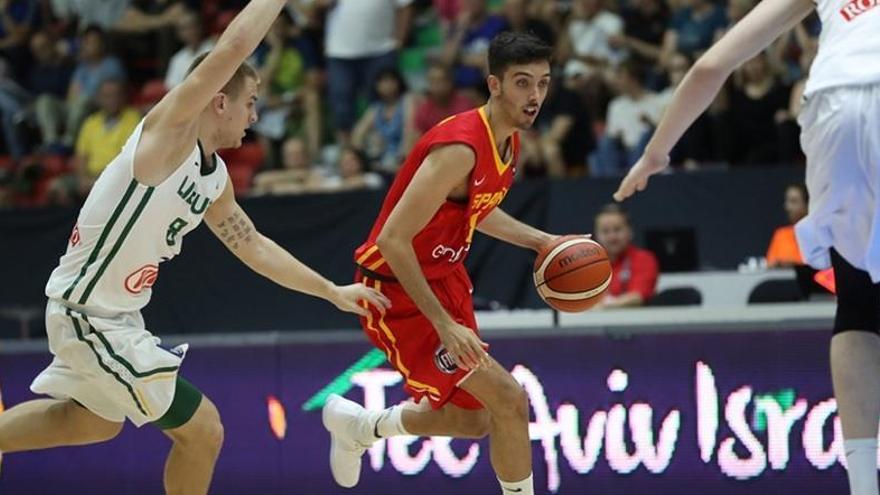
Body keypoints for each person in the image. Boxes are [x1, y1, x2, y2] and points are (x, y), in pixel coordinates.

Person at [0, 2, 389, 494]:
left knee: (94, 422)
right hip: (87, 313)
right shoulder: (171, 133)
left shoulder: (214, 180)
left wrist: (331, 290)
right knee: (203, 430)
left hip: (116, 318)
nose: (255, 114)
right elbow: (234, 47)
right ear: (219, 101)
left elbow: (255, 247)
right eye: (250, 101)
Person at [613, 0, 880, 493]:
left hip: (833, 102)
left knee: (859, 303)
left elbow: (712, 64)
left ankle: (864, 484)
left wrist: (655, 153)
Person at [322, 32, 556, 495]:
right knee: (510, 400)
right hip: (397, 293)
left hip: (445, 278)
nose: (534, 97)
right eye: (522, 83)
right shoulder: (461, 148)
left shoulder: (507, 142)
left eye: (543, 84)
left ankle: (362, 427)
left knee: (474, 421)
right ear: (495, 84)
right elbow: (392, 239)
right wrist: (443, 324)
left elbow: (478, 208)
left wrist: (541, 240)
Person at [593, 204, 658, 308]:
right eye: (605, 231)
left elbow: (638, 297)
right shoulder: (588, 264)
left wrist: (604, 306)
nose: (612, 237)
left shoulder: (644, 259)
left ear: (630, 232)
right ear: (597, 235)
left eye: (617, 229)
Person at [766, 182, 808, 267]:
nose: (788, 207)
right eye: (787, 201)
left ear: (807, 204)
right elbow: (770, 266)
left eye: (794, 201)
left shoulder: (819, 234)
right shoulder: (781, 234)